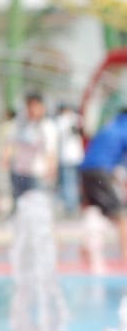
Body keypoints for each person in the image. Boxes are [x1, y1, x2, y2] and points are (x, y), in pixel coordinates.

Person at [80, 107, 127, 260]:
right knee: (121, 216)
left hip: (85, 170)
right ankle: (126, 256)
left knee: (92, 212)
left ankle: (85, 254)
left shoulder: (110, 126)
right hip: (100, 171)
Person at [1, 92, 57, 209]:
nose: (31, 110)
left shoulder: (47, 127)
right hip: (18, 171)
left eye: (34, 106)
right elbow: (10, 143)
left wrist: (51, 169)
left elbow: (51, 151)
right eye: (29, 106)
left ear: (41, 107)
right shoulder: (19, 124)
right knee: (19, 206)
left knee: (36, 207)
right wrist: (5, 158)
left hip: (37, 174)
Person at [54, 103, 84, 216]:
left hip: (66, 157)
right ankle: (74, 204)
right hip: (77, 156)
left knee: (68, 182)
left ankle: (71, 207)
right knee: (74, 182)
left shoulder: (61, 120)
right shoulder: (77, 118)